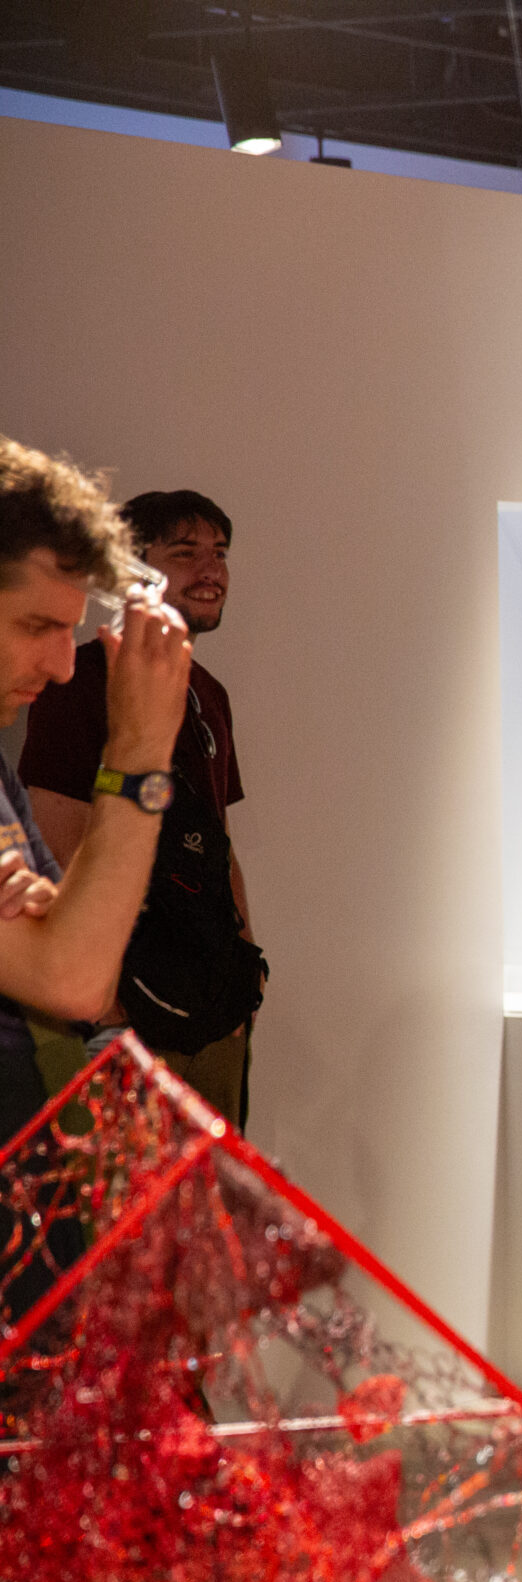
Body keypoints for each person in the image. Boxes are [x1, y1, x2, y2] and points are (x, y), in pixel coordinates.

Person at [0, 438, 194, 1315]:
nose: (63, 664)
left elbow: (81, 959)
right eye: (35, 626)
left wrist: (58, 924)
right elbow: (76, 977)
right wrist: (141, 752)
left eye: (71, 629)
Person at [21, 489, 261, 1124]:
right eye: (185, 553)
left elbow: (217, 844)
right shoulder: (78, 683)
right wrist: (108, 1008)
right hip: (123, 1016)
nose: (210, 570)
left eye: (219, 553)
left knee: (211, 1184)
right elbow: (57, 842)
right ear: (132, 570)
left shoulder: (210, 695)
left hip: (212, 1007)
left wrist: (245, 972)